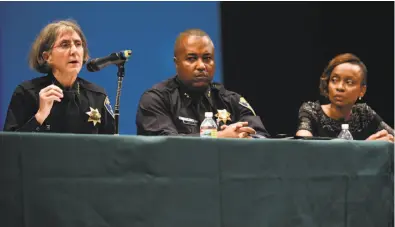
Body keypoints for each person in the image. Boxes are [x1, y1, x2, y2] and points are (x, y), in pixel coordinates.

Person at [136, 29, 270, 138]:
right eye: (191, 59)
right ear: (176, 63)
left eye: (207, 58)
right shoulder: (156, 99)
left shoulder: (230, 100)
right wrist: (220, 137)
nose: (201, 66)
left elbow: (262, 137)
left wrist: (245, 137)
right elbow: (167, 146)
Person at [3, 19, 115, 134]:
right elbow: (10, 148)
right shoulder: (26, 93)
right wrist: (40, 116)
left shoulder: (97, 96)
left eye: (78, 44)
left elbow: (111, 147)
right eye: (65, 45)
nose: (74, 51)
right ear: (47, 57)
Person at [296, 53, 394, 142]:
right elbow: (303, 147)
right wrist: (367, 147)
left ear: (362, 91)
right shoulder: (311, 111)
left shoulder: (364, 114)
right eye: (334, 80)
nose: (340, 87)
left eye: (349, 82)